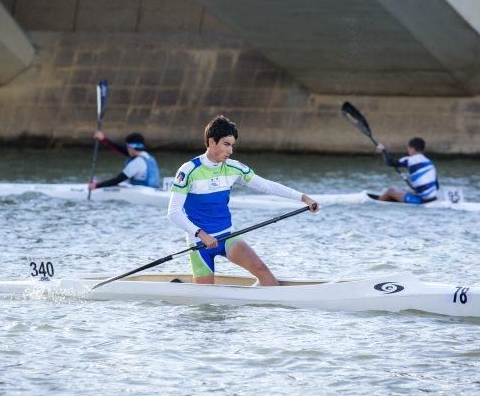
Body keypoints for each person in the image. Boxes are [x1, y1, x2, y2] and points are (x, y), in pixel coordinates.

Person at [167, 115, 319, 286]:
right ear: (211, 142)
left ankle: (274, 306)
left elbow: (267, 186)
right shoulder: (189, 171)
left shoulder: (233, 168)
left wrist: (303, 197)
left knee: (261, 268)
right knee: (206, 304)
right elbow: (173, 213)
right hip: (199, 243)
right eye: (226, 144)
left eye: (232, 145)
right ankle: (183, 287)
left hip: (227, 236)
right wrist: (202, 235)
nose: (230, 151)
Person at [375, 137, 439, 204]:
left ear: (412, 149)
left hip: (422, 201)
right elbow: (436, 187)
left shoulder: (410, 160)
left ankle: (375, 204)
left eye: (408, 148)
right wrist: (418, 191)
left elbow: (390, 162)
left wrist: (383, 150)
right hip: (434, 199)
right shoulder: (430, 163)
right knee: (407, 190)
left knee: (390, 191)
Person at [88, 131, 160, 190]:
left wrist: (96, 186)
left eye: (127, 147)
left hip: (141, 192)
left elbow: (117, 180)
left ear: (130, 148)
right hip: (153, 189)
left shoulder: (136, 163)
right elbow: (120, 149)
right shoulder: (147, 156)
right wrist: (103, 139)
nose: (127, 149)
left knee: (119, 183)